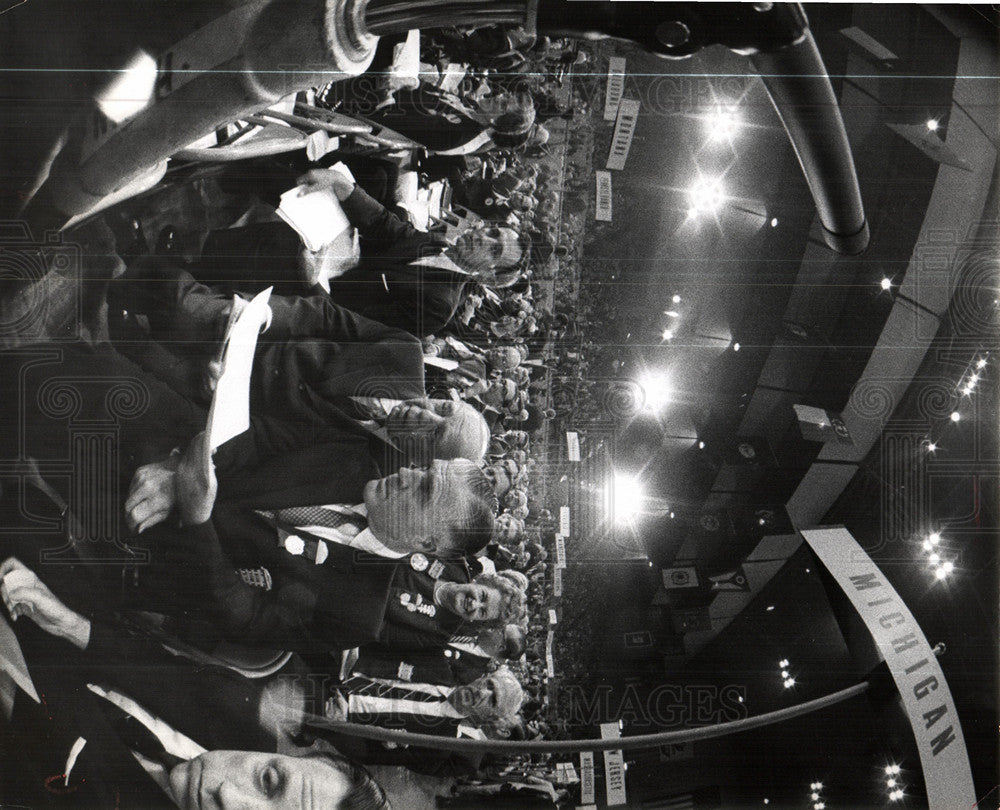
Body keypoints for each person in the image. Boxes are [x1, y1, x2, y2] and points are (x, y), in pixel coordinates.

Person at [0, 557, 390, 810]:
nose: (227, 796)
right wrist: (66, 622)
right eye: (269, 779)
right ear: (289, 754)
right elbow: (148, 663)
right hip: (48, 645)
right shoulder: (242, 718)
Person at [195, 169, 527, 337]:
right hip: (325, 260)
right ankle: (198, 243)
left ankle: (188, 263)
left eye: (494, 248)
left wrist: (313, 283)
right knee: (304, 198)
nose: (483, 235)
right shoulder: (439, 246)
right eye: (492, 230)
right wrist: (345, 188)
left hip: (313, 302)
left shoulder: (439, 305)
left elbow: (353, 326)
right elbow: (387, 225)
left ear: (487, 277)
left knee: (281, 247)